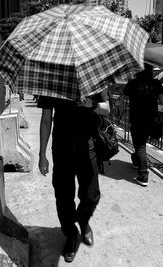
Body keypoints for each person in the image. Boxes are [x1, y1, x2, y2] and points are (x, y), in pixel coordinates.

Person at [38, 91, 110, 263]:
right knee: (63, 196)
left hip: (88, 147)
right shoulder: (51, 80)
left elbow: (107, 109)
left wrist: (91, 105)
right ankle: (71, 234)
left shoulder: (92, 75)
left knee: (91, 194)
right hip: (61, 148)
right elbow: (46, 119)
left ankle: (83, 221)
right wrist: (42, 155)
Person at [123, 64, 163, 187]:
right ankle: (136, 161)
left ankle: (143, 175)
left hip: (136, 119)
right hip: (151, 119)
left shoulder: (132, 83)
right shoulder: (156, 83)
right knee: (141, 143)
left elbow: (124, 95)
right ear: (150, 70)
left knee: (140, 145)